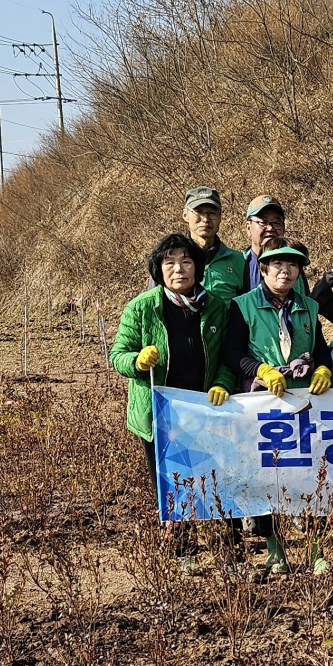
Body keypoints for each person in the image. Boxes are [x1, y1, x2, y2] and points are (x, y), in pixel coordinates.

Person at [111, 233, 236, 575]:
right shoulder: (142, 308)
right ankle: (181, 550)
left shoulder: (215, 306)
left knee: (208, 479)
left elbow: (228, 355)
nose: (178, 269)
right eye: (169, 262)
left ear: (198, 268)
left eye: (186, 261)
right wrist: (137, 361)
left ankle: (224, 549)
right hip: (159, 414)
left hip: (201, 409)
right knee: (170, 482)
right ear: (159, 270)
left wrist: (223, 383)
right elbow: (118, 355)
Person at [223, 238, 333, 576]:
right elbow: (232, 352)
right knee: (266, 476)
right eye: (278, 265)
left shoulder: (308, 307)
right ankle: (275, 550)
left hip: (302, 401)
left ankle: (315, 550)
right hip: (262, 400)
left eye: (292, 265)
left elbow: (320, 349)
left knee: (308, 474)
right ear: (264, 269)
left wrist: (323, 369)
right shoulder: (243, 305)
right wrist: (261, 370)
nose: (285, 271)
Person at [181, 186, 245, 303]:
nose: (205, 219)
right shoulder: (170, 260)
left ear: (220, 217)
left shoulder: (238, 260)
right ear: (185, 215)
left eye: (212, 213)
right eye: (198, 212)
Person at [241, 195, 287, 291]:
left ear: (283, 228)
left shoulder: (293, 267)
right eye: (263, 222)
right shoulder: (238, 266)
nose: (270, 228)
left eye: (276, 222)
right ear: (248, 228)